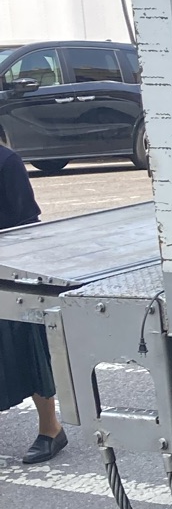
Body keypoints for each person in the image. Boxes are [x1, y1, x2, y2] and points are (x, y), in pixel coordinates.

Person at [0, 143, 67, 463]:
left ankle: (51, 428)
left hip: (9, 271)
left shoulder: (6, 161)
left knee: (29, 351)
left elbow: (27, 223)